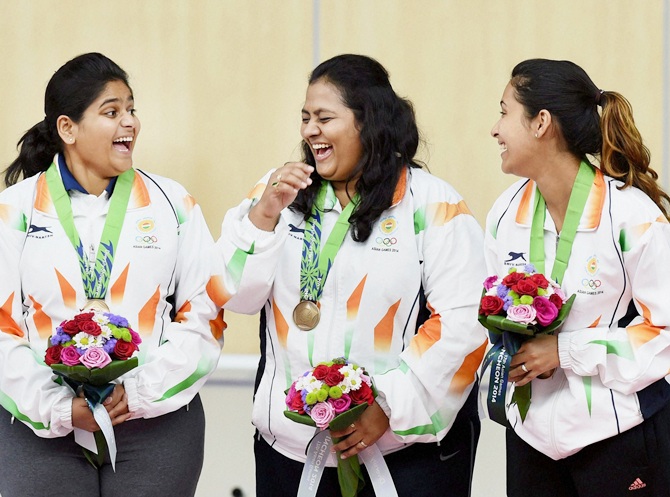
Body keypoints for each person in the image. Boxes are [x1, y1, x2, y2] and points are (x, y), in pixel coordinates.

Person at [211, 54, 488, 496]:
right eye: (304, 118)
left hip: (405, 454)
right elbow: (232, 295)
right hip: (292, 452)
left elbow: (463, 323)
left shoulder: (432, 205)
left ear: (367, 122)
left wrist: (387, 406)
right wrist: (263, 215)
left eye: (324, 117)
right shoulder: (280, 193)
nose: (309, 131)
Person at [0, 52, 224, 497]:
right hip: (39, 428)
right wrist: (58, 408)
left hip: (155, 424)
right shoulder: (15, 210)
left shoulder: (173, 203)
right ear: (68, 128)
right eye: (112, 111)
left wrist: (138, 393)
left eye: (131, 108)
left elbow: (205, 313)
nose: (130, 123)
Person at [487, 58, 670, 496]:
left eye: (504, 111)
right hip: (530, 439)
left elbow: (664, 331)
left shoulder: (631, 215)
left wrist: (565, 352)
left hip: (619, 433)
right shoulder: (503, 212)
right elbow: (492, 313)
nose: (495, 129)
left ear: (541, 123)